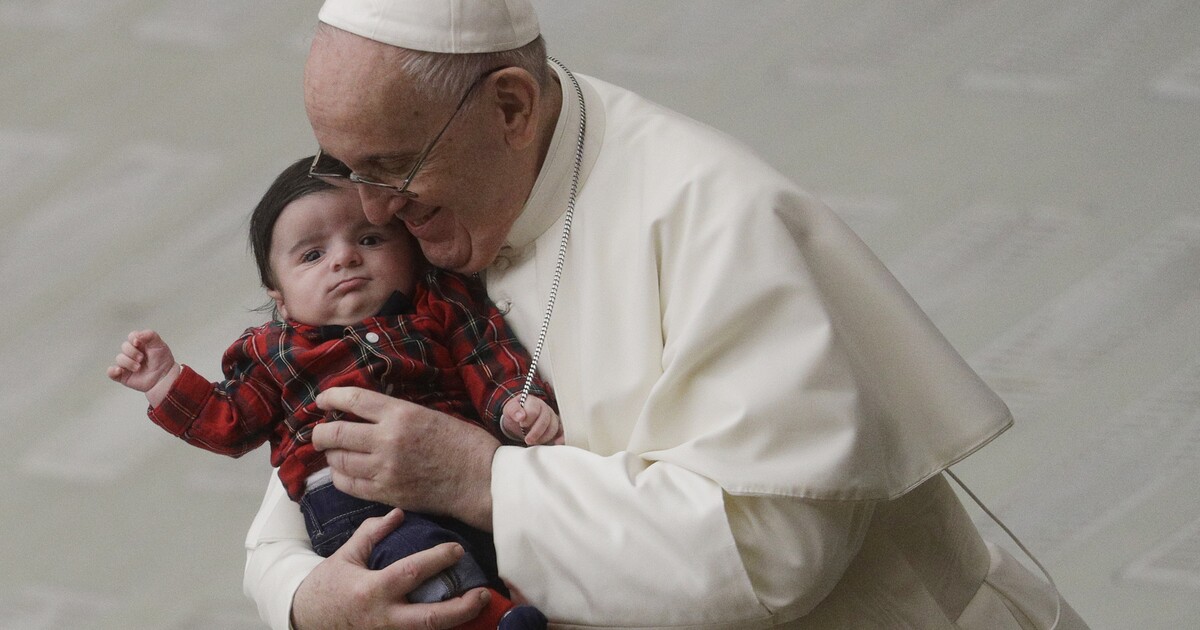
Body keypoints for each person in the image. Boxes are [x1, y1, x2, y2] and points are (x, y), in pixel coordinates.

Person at [243, 1, 1092, 629]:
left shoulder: (712, 215)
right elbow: (309, 476)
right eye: (343, 166)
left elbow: (771, 552)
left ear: (510, 108)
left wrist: (482, 481)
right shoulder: (426, 208)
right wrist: (307, 597)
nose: (371, 214)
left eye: (390, 168)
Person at [108, 156, 558, 630]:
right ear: (278, 296)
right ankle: (491, 619)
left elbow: (485, 357)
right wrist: (166, 383)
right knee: (413, 561)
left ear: (411, 250)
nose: (344, 258)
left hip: (457, 477)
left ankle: (502, 604)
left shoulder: (441, 307)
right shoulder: (273, 354)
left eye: (369, 239)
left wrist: (513, 403)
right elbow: (230, 422)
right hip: (352, 499)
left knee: (498, 554)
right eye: (311, 256)